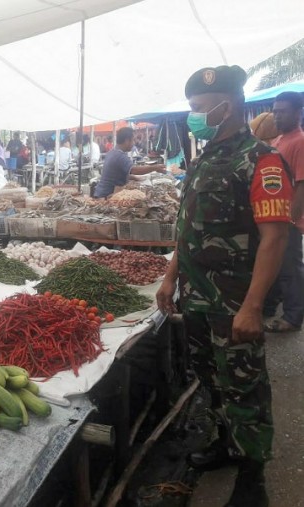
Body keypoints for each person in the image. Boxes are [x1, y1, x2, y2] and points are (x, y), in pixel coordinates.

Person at [156, 65, 294, 507]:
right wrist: (171, 275)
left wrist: (253, 306)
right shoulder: (205, 157)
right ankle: (225, 444)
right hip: (197, 298)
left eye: (197, 108)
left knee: (244, 386)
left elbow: (275, 237)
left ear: (224, 105)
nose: (193, 115)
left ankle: (253, 476)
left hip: (235, 301)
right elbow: (188, 227)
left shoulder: (262, 160)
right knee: (210, 379)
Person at [262, 92, 304, 333]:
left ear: (298, 112)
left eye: (283, 111)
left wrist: (291, 219)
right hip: (275, 218)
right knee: (276, 266)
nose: (277, 116)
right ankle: (271, 305)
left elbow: (301, 184)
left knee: (290, 269)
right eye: (275, 111)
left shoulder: (299, 141)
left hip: (288, 219)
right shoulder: (279, 140)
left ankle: (293, 317)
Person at [93, 127, 166, 198]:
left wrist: (133, 177)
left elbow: (117, 174)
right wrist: (154, 168)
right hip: (106, 196)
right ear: (127, 140)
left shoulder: (112, 152)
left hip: (102, 193)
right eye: (133, 140)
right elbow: (135, 170)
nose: (134, 143)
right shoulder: (119, 155)